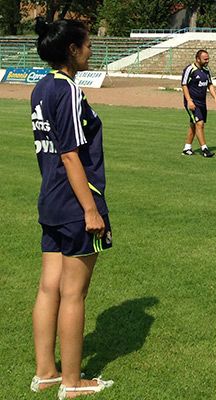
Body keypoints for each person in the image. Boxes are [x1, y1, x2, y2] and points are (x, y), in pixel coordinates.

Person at [29, 18, 115, 399]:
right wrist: (90, 210)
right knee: (74, 293)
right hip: (74, 203)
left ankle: (46, 373)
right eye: (87, 45)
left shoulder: (40, 88)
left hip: (50, 200)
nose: (90, 51)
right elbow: (69, 155)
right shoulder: (68, 90)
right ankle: (72, 382)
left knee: (49, 288)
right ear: (72, 50)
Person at [181, 49, 216, 158]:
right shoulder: (190, 69)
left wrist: (215, 98)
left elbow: (210, 85)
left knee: (194, 125)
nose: (207, 61)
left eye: (208, 59)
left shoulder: (206, 70)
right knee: (200, 124)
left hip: (202, 103)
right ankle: (205, 149)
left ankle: (187, 148)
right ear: (198, 59)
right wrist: (189, 101)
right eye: (205, 59)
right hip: (192, 102)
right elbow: (184, 85)